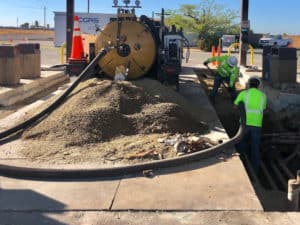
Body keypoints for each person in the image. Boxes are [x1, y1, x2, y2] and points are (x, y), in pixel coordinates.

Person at [234, 77, 267, 173]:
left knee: (241, 143)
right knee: (255, 147)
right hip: (257, 125)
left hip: (244, 124)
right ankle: (255, 170)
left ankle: (240, 165)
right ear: (258, 86)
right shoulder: (263, 96)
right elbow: (263, 109)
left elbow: (235, 106)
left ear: (248, 84)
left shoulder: (244, 94)